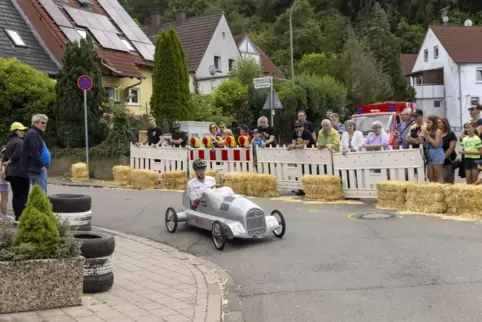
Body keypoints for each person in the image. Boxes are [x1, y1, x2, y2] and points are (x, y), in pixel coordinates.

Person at [3, 122, 29, 223]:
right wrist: (11, 161)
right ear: (14, 131)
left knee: (16, 195)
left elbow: (4, 157)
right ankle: (21, 217)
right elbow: (18, 154)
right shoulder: (20, 142)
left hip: (11, 173)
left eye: (23, 130)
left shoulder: (9, 142)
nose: (23, 132)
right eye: (20, 130)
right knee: (23, 195)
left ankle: (17, 217)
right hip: (21, 172)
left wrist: (6, 165)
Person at [21, 114, 50, 193]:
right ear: (35, 123)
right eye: (42, 123)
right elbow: (34, 151)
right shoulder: (33, 134)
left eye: (45, 123)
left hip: (38, 168)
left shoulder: (36, 133)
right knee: (40, 193)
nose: (45, 125)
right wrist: (41, 165)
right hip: (36, 168)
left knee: (42, 192)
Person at [423, 115, 444, 183]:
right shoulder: (428, 131)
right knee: (430, 176)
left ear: (433, 123)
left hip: (437, 152)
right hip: (429, 153)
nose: (427, 124)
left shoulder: (438, 131)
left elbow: (436, 144)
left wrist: (428, 137)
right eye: (426, 122)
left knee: (438, 175)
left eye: (429, 122)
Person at [438, 117, 457, 183]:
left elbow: (452, 147)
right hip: (437, 161)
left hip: (447, 160)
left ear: (444, 123)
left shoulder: (450, 134)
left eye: (439, 122)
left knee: (447, 179)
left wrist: (443, 157)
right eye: (436, 123)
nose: (437, 124)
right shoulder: (436, 134)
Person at [0, 148, 9, 221]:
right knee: (4, 199)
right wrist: (3, 174)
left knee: (3, 198)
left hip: (2, 183)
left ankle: (2, 214)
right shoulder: (3, 162)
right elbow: (3, 173)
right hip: (3, 182)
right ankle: (4, 215)